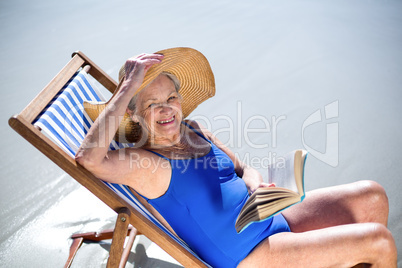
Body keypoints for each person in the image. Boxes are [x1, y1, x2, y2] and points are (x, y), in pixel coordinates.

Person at [75, 47, 397, 268]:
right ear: (133, 113)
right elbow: (89, 159)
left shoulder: (194, 130)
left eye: (171, 97)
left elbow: (244, 169)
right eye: (151, 103)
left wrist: (258, 187)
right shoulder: (148, 166)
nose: (166, 109)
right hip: (252, 256)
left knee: (374, 197)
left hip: (269, 219)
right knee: (379, 243)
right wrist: (127, 87)